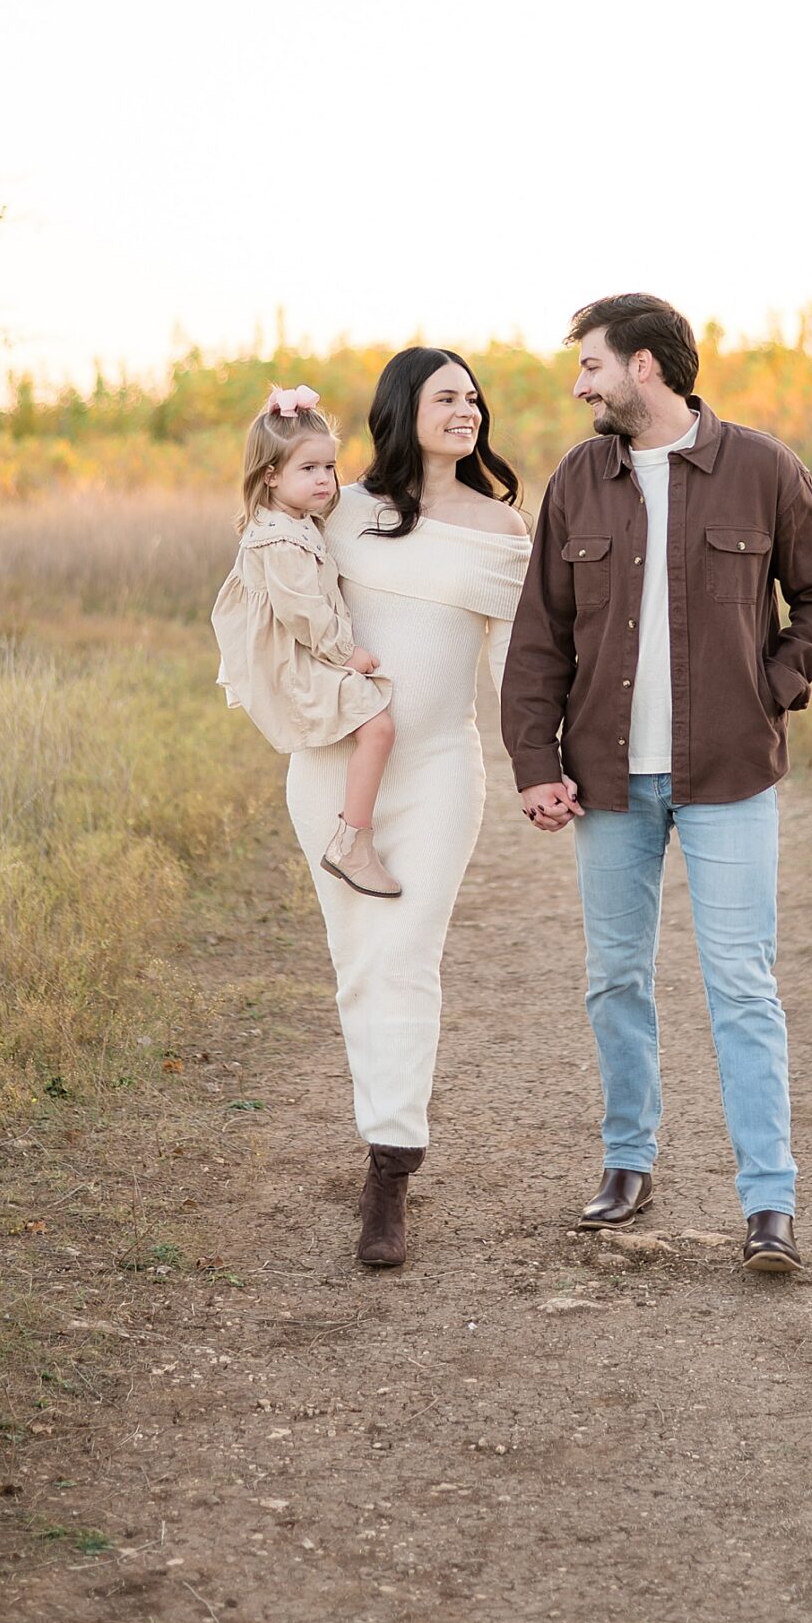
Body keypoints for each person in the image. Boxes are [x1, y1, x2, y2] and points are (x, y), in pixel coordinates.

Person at [501, 293, 812, 1274]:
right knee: (613, 976)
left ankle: (768, 1203)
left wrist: (766, 689)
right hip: (608, 777)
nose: (579, 385)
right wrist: (536, 762)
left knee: (741, 983)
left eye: (590, 367)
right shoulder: (578, 478)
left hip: (727, 774)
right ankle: (627, 1164)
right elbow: (537, 636)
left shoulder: (762, 469)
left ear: (645, 367)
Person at [284, 348, 529, 1270]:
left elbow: (515, 667)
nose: (465, 410)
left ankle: (391, 1167)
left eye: (472, 398)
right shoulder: (339, 509)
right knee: (358, 962)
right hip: (330, 769)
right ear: (403, 409)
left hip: (434, 773)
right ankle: (379, 1143)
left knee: (406, 952)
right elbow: (275, 590)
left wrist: (540, 766)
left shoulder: (505, 532)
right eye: (444, 397)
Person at [211, 385, 401, 897]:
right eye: (308, 469)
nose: (324, 480)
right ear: (270, 475)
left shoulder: (298, 522)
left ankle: (351, 838)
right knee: (378, 728)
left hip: (304, 649)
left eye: (329, 467)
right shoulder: (280, 539)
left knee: (377, 726)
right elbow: (304, 614)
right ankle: (352, 842)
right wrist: (349, 654)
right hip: (296, 660)